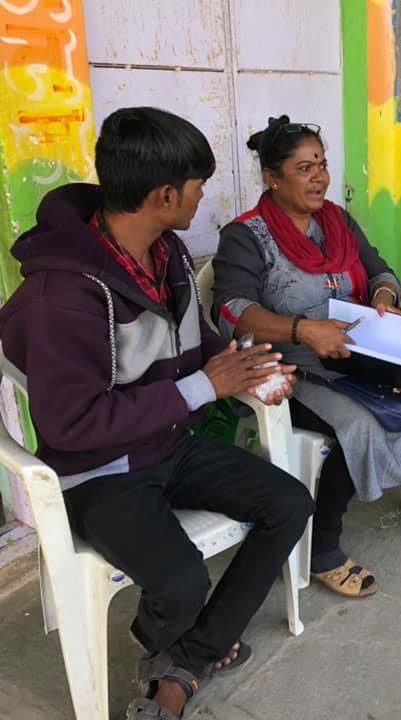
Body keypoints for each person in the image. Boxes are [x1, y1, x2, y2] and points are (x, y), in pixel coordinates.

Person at [0, 107, 315, 719]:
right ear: (165, 194)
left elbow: (197, 347)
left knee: (289, 503)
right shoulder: (61, 297)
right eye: (198, 185)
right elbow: (72, 426)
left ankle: (184, 660)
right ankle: (183, 656)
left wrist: (251, 365)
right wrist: (204, 386)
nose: (204, 195)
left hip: (167, 444)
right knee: (181, 582)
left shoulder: (165, 252)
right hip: (97, 472)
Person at [212, 117, 401, 599]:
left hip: (357, 352)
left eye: (323, 165)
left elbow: (380, 272)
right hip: (293, 365)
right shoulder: (246, 236)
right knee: (357, 428)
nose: (320, 178)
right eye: (305, 168)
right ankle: (324, 548)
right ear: (272, 177)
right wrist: (301, 330)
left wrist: (385, 299)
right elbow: (231, 309)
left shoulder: (337, 222)